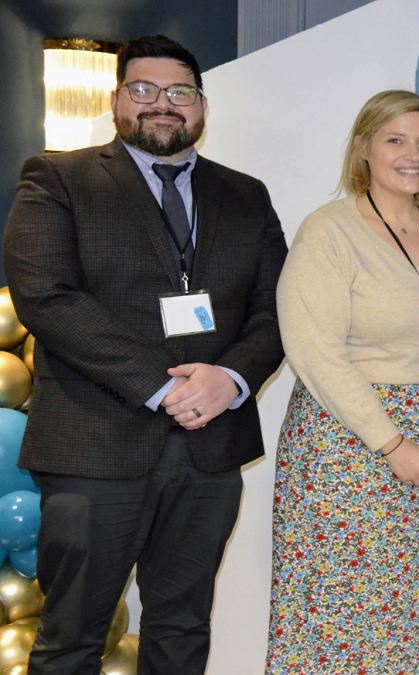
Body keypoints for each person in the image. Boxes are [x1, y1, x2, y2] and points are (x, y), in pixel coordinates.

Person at [3, 35, 287, 674]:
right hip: (93, 447)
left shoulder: (247, 194)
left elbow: (275, 308)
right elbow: (47, 298)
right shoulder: (58, 179)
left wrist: (232, 379)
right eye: (144, 90)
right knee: (72, 639)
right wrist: (161, 387)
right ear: (116, 99)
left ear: (202, 106)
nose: (163, 104)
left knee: (183, 631)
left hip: (211, 449)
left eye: (180, 92)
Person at [267, 90, 419, 675]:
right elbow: (314, 350)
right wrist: (390, 442)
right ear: (364, 149)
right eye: (395, 140)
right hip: (351, 445)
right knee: (348, 616)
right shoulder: (330, 230)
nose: (412, 155)